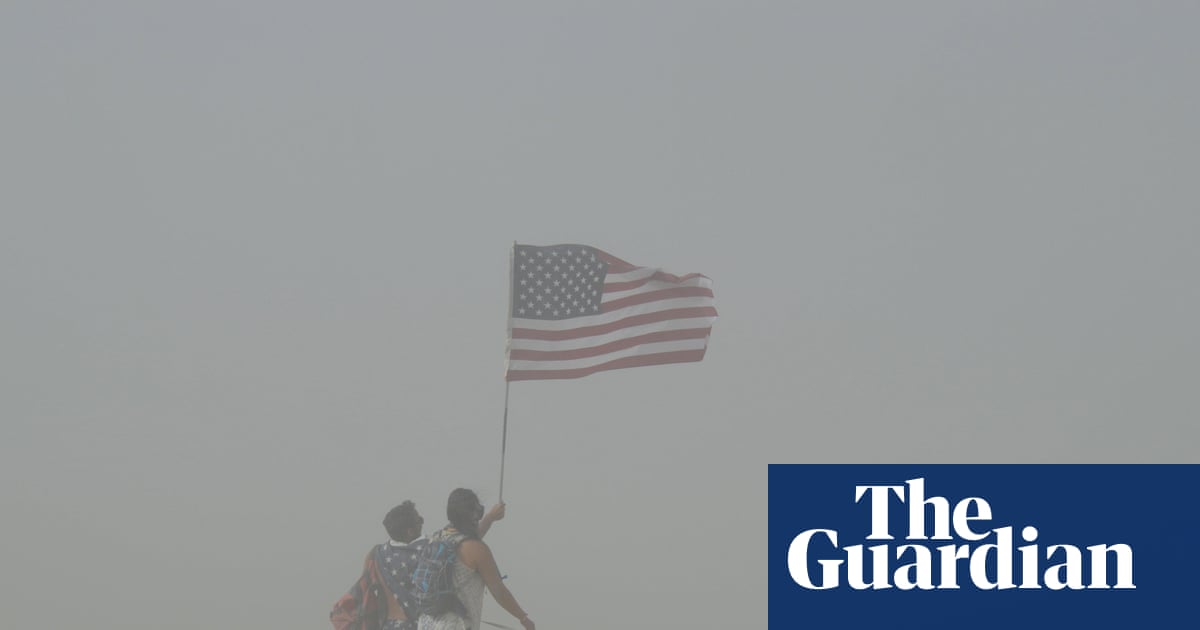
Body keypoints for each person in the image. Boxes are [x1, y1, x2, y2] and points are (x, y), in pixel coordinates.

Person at [418, 489, 535, 630]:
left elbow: (466, 540)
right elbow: (499, 592)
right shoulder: (477, 549)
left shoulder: (436, 538)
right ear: (473, 515)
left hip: (427, 624)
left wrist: (490, 518)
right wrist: (523, 618)